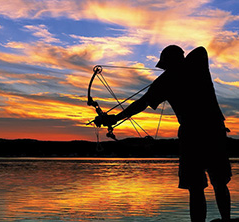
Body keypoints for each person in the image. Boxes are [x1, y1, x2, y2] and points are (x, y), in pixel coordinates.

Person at [94, 45, 232, 222]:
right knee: (203, 185)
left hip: (202, 133)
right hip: (209, 132)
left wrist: (170, 73)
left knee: (209, 184)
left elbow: (200, 50)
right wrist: (114, 119)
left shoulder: (191, 68)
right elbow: (141, 103)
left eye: (166, 65)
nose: (165, 69)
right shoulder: (181, 74)